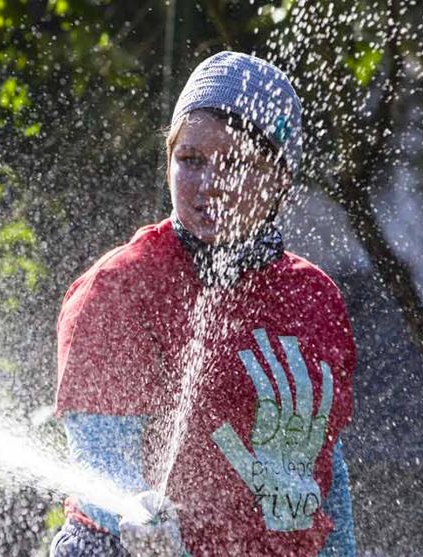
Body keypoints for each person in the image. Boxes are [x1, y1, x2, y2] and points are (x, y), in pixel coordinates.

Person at [50, 51, 357, 556]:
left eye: (234, 163)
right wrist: (136, 515)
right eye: (190, 160)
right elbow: (99, 458)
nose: (207, 184)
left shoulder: (316, 298)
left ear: (280, 177)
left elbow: (327, 468)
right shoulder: (121, 288)